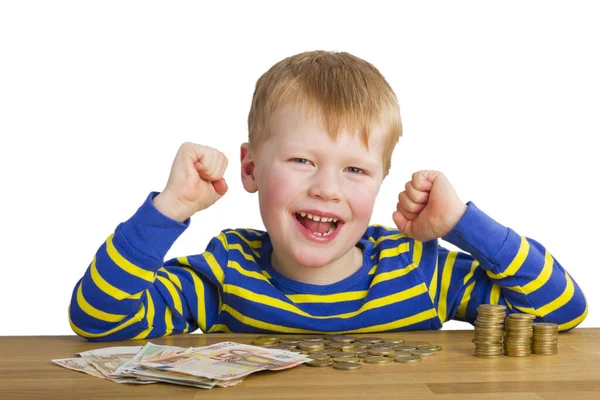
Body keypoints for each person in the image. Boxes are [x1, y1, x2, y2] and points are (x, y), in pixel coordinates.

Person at [68, 50, 587, 342]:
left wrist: (464, 226)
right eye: (301, 161)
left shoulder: (419, 269)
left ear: (383, 181)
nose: (326, 188)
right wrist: (168, 210)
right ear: (249, 167)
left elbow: (562, 309)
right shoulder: (227, 271)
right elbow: (98, 319)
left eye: (356, 169)